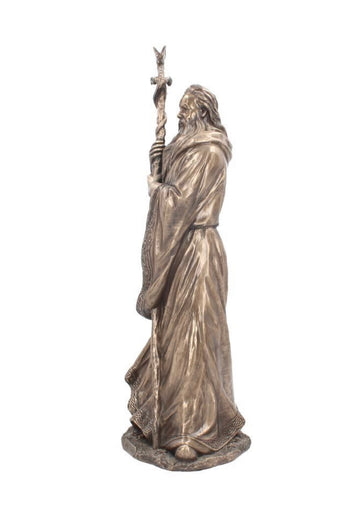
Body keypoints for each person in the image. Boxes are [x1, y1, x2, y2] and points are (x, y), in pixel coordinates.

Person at [126, 85, 245, 461]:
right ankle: (167, 417)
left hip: (198, 251)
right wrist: (159, 163)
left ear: (202, 113)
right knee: (176, 335)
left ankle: (192, 431)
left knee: (197, 338)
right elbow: (175, 186)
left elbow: (180, 202)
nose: (179, 115)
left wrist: (156, 190)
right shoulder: (187, 147)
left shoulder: (209, 151)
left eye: (185, 110)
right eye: (177, 109)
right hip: (180, 252)